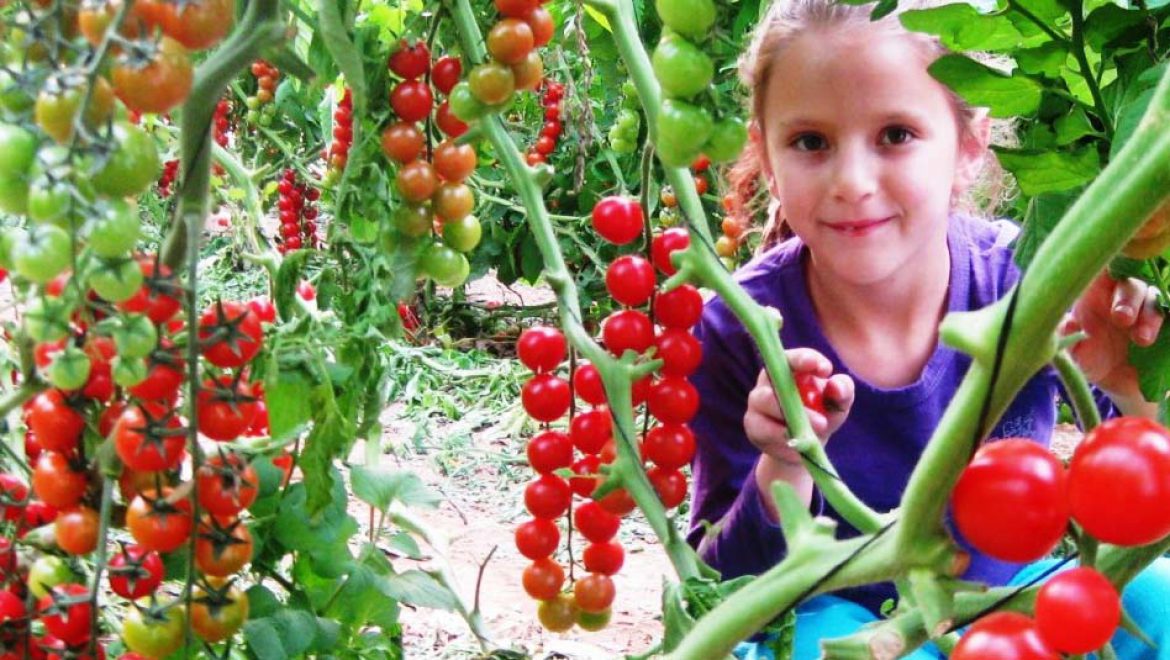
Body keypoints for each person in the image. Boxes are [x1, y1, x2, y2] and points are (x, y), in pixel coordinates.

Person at [685, 0, 1170, 657]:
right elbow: (718, 584)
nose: (852, 182)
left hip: (1006, 602)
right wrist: (785, 462)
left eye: (894, 135)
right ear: (766, 155)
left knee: (1157, 600)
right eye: (810, 142)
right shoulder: (740, 327)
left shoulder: (1034, 278)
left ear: (970, 144)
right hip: (838, 627)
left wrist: (1124, 375)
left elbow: (1144, 491)